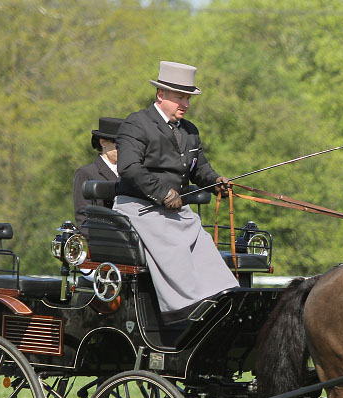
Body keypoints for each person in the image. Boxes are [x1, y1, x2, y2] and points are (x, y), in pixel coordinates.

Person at [114, 61, 238, 324]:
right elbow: (128, 167)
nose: (186, 104)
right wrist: (162, 193)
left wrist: (215, 181)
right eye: (180, 97)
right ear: (161, 95)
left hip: (178, 213)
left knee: (203, 244)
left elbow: (199, 168)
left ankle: (222, 302)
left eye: (188, 98)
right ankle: (184, 310)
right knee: (174, 246)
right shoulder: (136, 124)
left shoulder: (190, 131)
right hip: (140, 210)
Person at [72, 116, 123, 228]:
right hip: (104, 239)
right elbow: (83, 219)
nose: (122, 148)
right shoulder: (86, 173)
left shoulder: (130, 172)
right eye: (117, 143)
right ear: (103, 142)